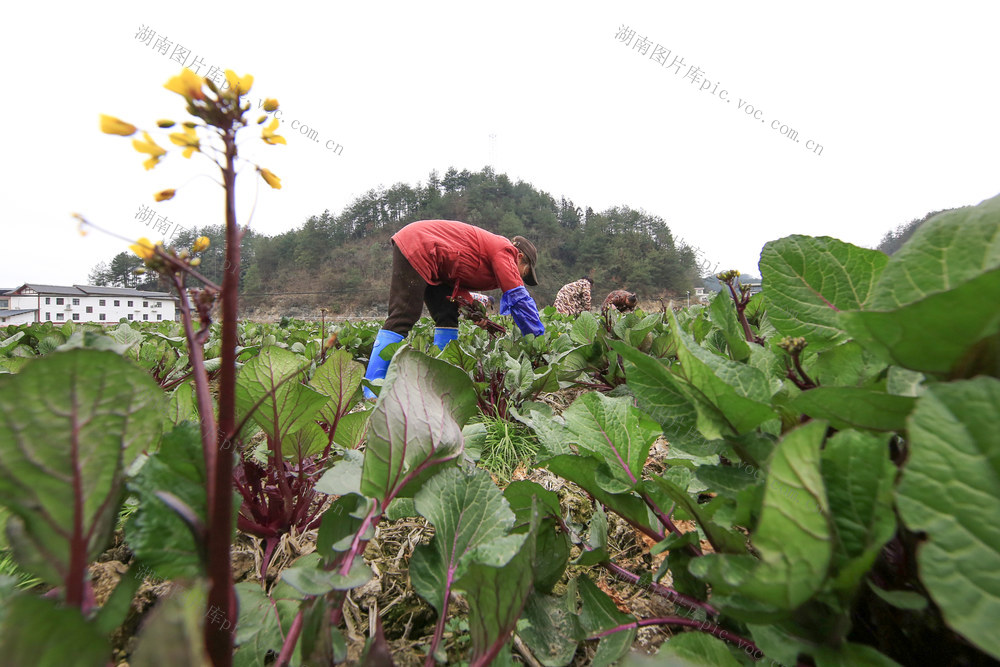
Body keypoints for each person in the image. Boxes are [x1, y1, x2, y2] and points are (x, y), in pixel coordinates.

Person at [363, 219, 544, 397]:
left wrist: (476, 312)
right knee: (404, 315)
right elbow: (519, 299)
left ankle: (441, 379)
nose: (521, 278)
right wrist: (538, 339)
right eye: (525, 272)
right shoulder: (506, 251)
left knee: (447, 315)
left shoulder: (492, 257)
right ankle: (372, 389)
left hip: (439, 268)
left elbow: (457, 281)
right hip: (418, 245)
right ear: (519, 257)